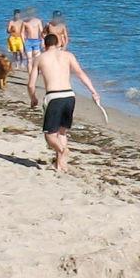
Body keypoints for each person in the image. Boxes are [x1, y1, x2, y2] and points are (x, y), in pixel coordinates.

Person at [26, 31, 103, 173]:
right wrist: (93, 91)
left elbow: (31, 84)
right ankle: (60, 165)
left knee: (49, 135)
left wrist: (33, 98)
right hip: (69, 96)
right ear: (57, 43)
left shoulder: (40, 58)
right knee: (62, 132)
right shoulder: (68, 56)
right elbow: (80, 73)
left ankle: (63, 150)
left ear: (44, 44)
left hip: (54, 97)